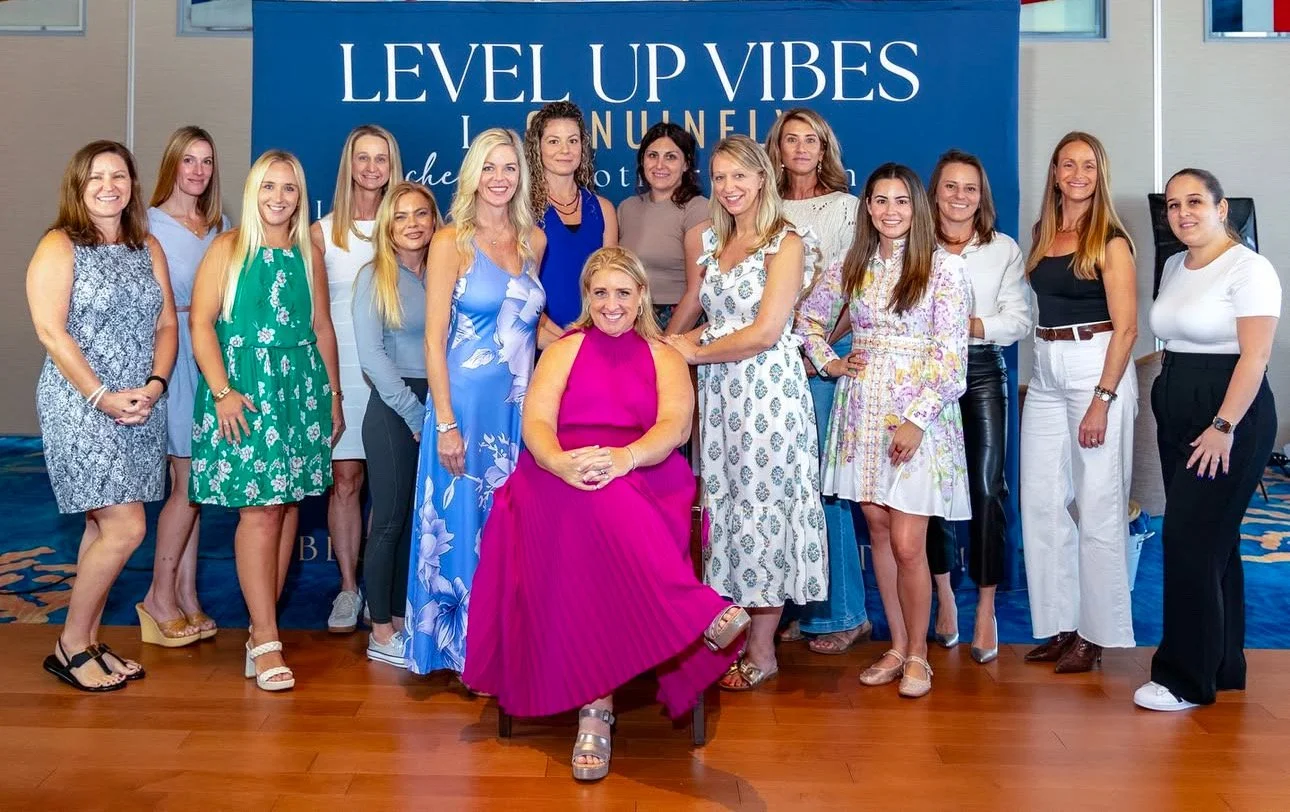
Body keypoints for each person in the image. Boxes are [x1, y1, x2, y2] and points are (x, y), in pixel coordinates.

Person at [464, 247, 749, 782]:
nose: (611, 304)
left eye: (623, 292)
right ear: (587, 298)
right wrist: (560, 463)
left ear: (642, 295)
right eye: (600, 293)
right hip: (557, 474)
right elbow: (537, 421)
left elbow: (675, 428)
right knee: (594, 501)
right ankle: (695, 616)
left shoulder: (663, 354)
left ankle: (596, 710)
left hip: (645, 469)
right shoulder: (565, 349)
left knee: (609, 500)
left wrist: (624, 458)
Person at [796, 163, 970, 699]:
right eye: (879, 200)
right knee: (877, 535)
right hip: (860, 409)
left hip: (917, 416)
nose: (889, 210)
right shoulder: (855, 264)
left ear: (916, 208)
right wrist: (828, 361)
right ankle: (896, 646)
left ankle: (920, 654)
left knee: (908, 542)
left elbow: (951, 357)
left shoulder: (944, 270)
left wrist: (917, 420)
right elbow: (808, 320)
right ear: (867, 207)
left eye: (900, 200)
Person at [665, 135, 827, 692]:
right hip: (721, 398)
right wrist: (664, 346)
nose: (730, 187)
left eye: (741, 176)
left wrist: (693, 350)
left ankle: (763, 650)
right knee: (727, 511)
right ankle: (732, 635)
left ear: (763, 179)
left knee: (765, 514)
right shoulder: (710, 241)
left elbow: (764, 332)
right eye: (721, 177)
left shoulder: (787, 242)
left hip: (769, 395)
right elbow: (705, 311)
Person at [189, 150, 343, 692]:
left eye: (290, 189)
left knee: (285, 508)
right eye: (269, 187)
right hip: (245, 393)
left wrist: (334, 396)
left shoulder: (307, 252)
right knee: (258, 512)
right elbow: (202, 325)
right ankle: (268, 637)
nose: (279, 198)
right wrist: (223, 392)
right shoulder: (228, 248)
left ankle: (261, 630)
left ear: (302, 197)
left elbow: (322, 327)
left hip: (299, 390)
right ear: (253, 191)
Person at [28, 140, 178, 690]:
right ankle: (70, 646)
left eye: (119, 175)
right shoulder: (59, 244)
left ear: (134, 185)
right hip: (81, 404)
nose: (109, 185)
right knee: (125, 525)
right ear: (78, 186)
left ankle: (86, 640)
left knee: (101, 524)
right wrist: (101, 396)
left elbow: (166, 325)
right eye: (96, 177)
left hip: (141, 405)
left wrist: (155, 385)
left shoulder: (148, 247)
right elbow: (51, 330)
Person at [404, 128, 548, 676]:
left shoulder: (534, 239)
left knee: (508, 526)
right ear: (473, 175)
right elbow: (432, 338)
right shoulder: (450, 242)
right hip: (462, 407)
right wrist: (445, 423)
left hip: (517, 411)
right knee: (459, 526)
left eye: (509, 167)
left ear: (521, 175)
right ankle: (464, 652)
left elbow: (531, 326)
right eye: (489, 167)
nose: (499, 177)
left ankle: (504, 643)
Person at [1135, 168, 1279, 711]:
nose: (1182, 213)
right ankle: (1223, 665)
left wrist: (1222, 427)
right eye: (1173, 205)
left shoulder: (1250, 268)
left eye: (1195, 201)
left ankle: (1184, 680)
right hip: (1177, 407)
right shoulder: (1175, 263)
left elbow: (1256, 355)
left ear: (1222, 208)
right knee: (1214, 544)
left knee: (1188, 541)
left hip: (1226, 416)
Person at [1021, 131, 1138, 674]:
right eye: (1067, 164)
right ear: (1054, 172)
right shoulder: (1044, 233)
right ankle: (1060, 623)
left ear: (1100, 173)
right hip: (1044, 368)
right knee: (1042, 504)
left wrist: (1103, 399)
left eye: (1087, 165)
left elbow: (1129, 327)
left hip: (1097, 367)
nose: (1076, 174)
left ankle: (1097, 632)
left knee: (1098, 505)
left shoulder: (1111, 238)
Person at [764, 107, 869, 654]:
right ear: (776, 149)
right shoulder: (764, 206)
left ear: (825, 149)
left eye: (812, 140)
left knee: (827, 487)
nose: (802, 148)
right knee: (787, 485)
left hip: (826, 356)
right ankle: (794, 604)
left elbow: (855, 287)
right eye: (791, 139)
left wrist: (817, 351)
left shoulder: (847, 208)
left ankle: (844, 612)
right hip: (771, 356)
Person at [923, 149, 1030, 663]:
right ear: (935, 192)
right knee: (933, 490)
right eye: (951, 187)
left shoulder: (1002, 249)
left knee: (988, 489)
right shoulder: (913, 245)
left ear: (981, 196)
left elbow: (1018, 319)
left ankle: (985, 608)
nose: (960, 197)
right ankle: (945, 599)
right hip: (921, 376)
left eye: (970, 188)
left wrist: (966, 326)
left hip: (982, 369)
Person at [310, 124, 403, 634]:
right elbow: (315, 315)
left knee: (389, 490)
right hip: (341, 366)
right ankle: (348, 589)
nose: (372, 168)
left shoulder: (408, 225)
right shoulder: (322, 234)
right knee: (346, 481)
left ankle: (379, 589)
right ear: (349, 165)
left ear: (393, 165)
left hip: (392, 370)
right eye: (362, 158)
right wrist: (329, 386)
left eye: (381, 158)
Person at [139, 125, 229, 647]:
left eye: (207, 161)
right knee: (187, 483)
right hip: (175, 361)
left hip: (212, 357)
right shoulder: (145, 225)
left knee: (196, 486)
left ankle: (187, 596)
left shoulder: (220, 224)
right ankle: (157, 596)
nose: (198, 171)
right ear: (172, 164)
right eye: (188, 160)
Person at [352, 181, 438, 668]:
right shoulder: (374, 276)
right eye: (401, 215)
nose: (412, 224)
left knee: (415, 521)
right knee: (388, 520)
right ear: (388, 225)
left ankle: (403, 621)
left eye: (421, 214)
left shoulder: (443, 273)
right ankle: (379, 628)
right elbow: (372, 357)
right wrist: (415, 414)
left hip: (435, 404)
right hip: (393, 408)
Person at [525, 101, 616, 334]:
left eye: (572, 141)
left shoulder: (603, 209)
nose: (565, 150)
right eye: (554, 141)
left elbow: (610, 284)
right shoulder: (522, 210)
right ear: (537, 148)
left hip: (594, 338)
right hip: (538, 339)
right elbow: (518, 293)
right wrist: (561, 340)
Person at [617, 122, 709, 333]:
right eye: (652, 156)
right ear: (642, 160)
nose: (660, 165)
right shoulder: (627, 208)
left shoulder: (698, 209)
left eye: (671, 157)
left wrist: (665, 346)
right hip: (630, 319)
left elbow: (697, 293)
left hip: (677, 321)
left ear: (686, 164)